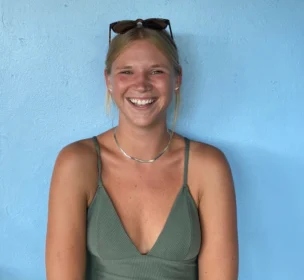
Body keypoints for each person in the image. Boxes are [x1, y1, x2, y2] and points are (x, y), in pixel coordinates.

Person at [45, 18, 238, 280]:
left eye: (156, 71)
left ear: (177, 78)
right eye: (126, 71)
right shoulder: (77, 163)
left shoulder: (207, 167)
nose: (141, 84)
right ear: (109, 80)